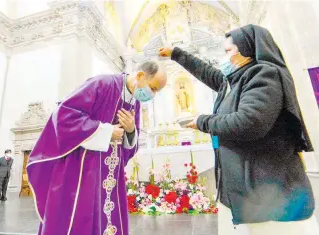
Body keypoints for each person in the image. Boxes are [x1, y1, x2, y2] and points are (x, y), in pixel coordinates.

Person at [159, 24, 318, 235]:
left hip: (269, 194)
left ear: (247, 47)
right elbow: (208, 73)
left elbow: (249, 123)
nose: (225, 57)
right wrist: (176, 54)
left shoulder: (263, 75)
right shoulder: (237, 80)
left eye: (229, 51)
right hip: (248, 191)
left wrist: (203, 122)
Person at [27, 61, 167, 235]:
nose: (152, 95)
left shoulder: (135, 102)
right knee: (80, 220)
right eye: (153, 88)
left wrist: (131, 131)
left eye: (156, 92)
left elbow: (131, 144)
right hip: (82, 171)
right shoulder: (102, 84)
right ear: (140, 76)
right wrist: (106, 131)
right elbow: (64, 115)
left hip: (109, 176)